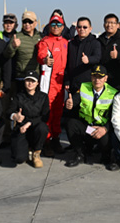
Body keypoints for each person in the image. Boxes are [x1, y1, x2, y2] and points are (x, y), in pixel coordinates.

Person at [64, 65, 117, 168]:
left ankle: (106, 155)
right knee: (71, 123)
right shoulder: (84, 87)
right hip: (87, 127)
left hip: (101, 128)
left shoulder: (113, 93)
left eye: (100, 77)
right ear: (91, 77)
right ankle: (80, 154)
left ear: (106, 78)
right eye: (94, 76)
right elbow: (75, 100)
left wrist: (105, 129)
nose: (97, 80)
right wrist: (70, 103)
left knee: (107, 137)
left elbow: (115, 117)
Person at [36, 13, 69, 155]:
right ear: (49, 26)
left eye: (59, 24)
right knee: (47, 113)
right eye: (53, 24)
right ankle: (46, 142)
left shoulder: (66, 42)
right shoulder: (45, 41)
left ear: (63, 27)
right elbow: (41, 55)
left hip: (61, 83)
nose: (56, 27)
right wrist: (45, 60)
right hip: (48, 84)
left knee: (58, 112)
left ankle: (56, 138)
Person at [9, 71, 50, 168]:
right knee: (19, 158)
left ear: (37, 83)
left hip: (36, 127)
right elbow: (9, 112)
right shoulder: (18, 96)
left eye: (33, 81)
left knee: (43, 128)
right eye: (28, 80)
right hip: (21, 129)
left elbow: (45, 116)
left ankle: (36, 153)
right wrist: (15, 116)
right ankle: (26, 149)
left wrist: (29, 123)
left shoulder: (43, 97)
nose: (30, 83)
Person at [3, 11, 42, 94]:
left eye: (30, 22)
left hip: (35, 78)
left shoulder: (41, 36)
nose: (27, 24)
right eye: (25, 22)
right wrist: (13, 46)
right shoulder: (17, 37)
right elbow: (6, 55)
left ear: (35, 23)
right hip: (21, 78)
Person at [64, 17, 102, 94]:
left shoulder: (95, 43)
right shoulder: (71, 43)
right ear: (76, 28)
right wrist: (66, 80)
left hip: (88, 84)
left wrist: (89, 59)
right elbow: (66, 64)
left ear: (90, 29)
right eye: (79, 27)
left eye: (85, 27)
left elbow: (97, 57)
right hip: (73, 83)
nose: (82, 29)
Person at [98, 13, 120, 90]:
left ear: (117, 25)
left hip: (118, 80)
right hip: (102, 79)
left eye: (112, 23)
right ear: (104, 25)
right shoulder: (99, 40)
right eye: (107, 22)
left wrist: (118, 55)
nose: (109, 25)